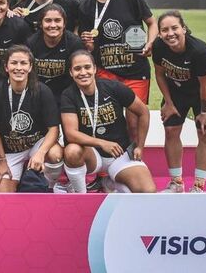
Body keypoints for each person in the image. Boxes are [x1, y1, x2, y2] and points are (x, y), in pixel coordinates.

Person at [77, 0, 157, 141]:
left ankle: (134, 160)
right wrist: (88, 44)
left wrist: (150, 42)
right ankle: (109, 164)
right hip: (105, 72)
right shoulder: (86, 6)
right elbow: (88, 44)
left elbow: (152, 23)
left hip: (135, 71)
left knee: (134, 122)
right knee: (108, 120)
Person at [61, 50, 156, 193]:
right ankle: (81, 195)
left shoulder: (113, 87)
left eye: (87, 67)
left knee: (147, 191)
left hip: (119, 153)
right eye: (77, 68)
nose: (83, 72)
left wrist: (140, 146)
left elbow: (143, 112)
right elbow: (71, 134)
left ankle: (110, 182)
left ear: (94, 68)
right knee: (72, 151)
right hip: (92, 154)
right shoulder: (68, 95)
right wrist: (102, 143)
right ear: (71, 72)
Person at [0, 45, 63, 192]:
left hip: (36, 145)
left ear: (30, 67)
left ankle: (49, 187)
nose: (18, 68)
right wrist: (1, 161)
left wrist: (40, 153)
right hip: (10, 151)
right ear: (6, 67)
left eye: (23, 63)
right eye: (14, 63)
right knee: (0, 199)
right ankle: (20, 179)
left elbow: (54, 129)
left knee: (54, 154)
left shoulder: (42, 91)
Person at [153, 11, 206, 193]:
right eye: (164, 30)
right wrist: (168, 103)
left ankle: (198, 186)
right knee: (171, 131)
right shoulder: (159, 46)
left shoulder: (200, 51)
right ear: (160, 33)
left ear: (184, 29)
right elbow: (159, 73)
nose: (170, 33)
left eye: (174, 28)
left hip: (202, 93)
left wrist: (204, 112)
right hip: (176, 91)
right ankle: (176, 183)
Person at [27, 4, 85, 105]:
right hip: (38, 93)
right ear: (41, 24)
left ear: (64, 23)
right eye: (48, 20)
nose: (53, 25)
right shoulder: (31, 43)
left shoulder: (74, 43)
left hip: (66, 95)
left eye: (57, 20)